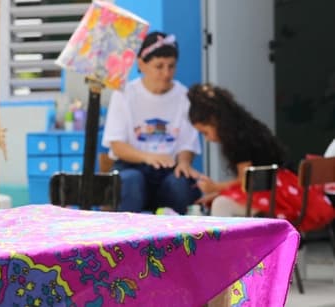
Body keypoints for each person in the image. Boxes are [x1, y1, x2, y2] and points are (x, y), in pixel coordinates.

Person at [188, 84, 335, 230]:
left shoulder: (238, 139)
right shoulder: (248, 127)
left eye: (205, 132)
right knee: (222, 201)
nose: (206, 139)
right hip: (286, 190)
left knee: (220, 204)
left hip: (274, 196)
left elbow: (245, 180)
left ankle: (223, 251)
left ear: (215, 120)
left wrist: (215, 187)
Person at [101, 31, 202, 214]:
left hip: (168, 170)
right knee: (131, 181)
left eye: (171, 66)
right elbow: (117, 145)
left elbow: (187, 143)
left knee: (180, 185)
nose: (166, 73)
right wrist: (148, 157)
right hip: (131, 166)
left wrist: (184, 162)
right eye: (159, 66)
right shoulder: (124, 94)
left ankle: (179, 239)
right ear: (142, 64)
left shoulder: (183, 96)